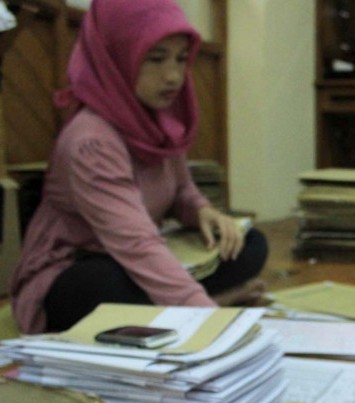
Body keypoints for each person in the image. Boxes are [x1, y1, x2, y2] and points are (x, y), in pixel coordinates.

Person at [9, 0, 269, 334]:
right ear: (116, 56)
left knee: (250, 242)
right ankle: (213, 303)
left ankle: (182, 306)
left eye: (180, 59)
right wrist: (214, 324)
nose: (173, 76)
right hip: (80, 265)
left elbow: (181, 191)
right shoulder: (91, 141)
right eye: (156, 58)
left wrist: (205, 213)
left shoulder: (159, 120)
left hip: (139, 252)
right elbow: (136, 246)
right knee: (102, 286)